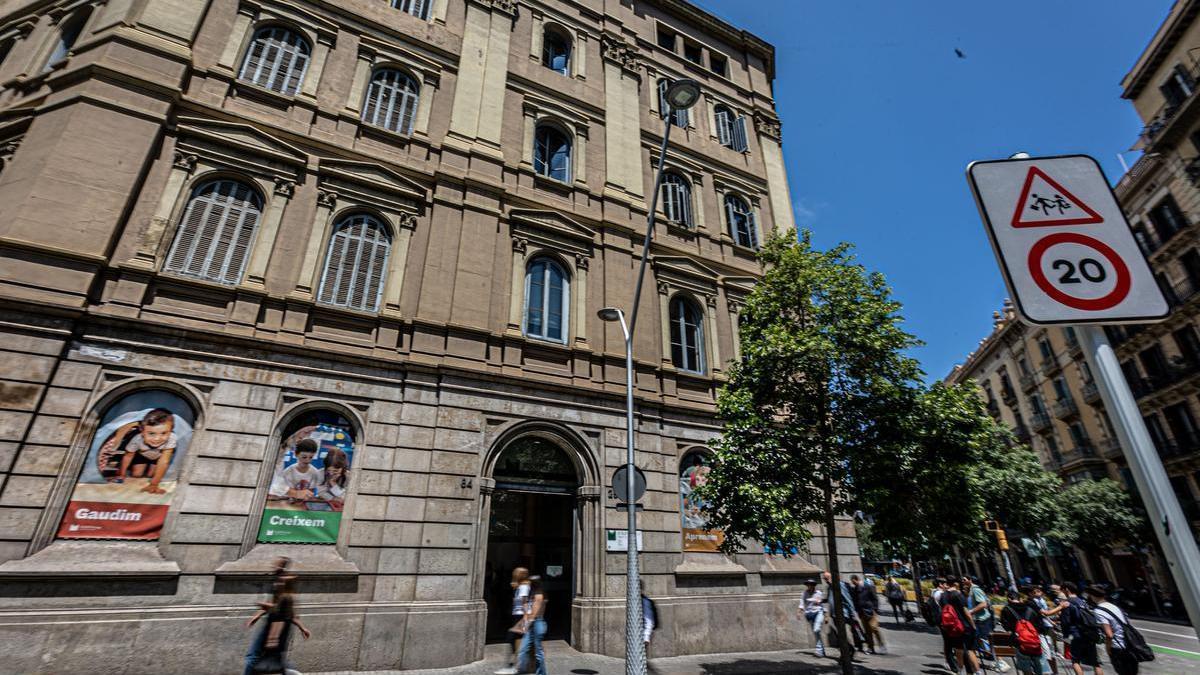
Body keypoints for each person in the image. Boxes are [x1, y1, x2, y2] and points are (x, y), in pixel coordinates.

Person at [244, 558, 310, 675]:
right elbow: (278, 606)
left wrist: (261, 608)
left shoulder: (284, 586)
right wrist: (257, 616)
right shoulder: (279, 583)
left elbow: (282, 610)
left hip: (277, 625)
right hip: (273, 623)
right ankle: (290, 671)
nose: (273, 566)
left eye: (277, 564)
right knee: (275, 657)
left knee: (253, 657)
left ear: (282, 566)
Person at [112, 408, 177, 494]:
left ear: (170, 431)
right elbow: (128, 456)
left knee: (151, 475)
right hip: (141, 455)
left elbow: (164, 461)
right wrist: (122, 474)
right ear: (142, 432)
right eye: (151, 433)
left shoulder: (172, 438)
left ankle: (150, 472)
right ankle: (120, 466)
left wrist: (154, 484)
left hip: (157, 457)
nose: (157, 439)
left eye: (164, 433)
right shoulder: (137, 439)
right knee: (137, 474)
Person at [1085, 585, 1137, 675]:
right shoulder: (1114, 606)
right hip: (1129, 645)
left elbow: (1109, 634)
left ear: (1092, 595)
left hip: (1118, 647)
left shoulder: (1099, 611)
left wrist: (1108, 649)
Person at [1000, 588, 1052, 675]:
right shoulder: (1030, 608)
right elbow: (1040, 626)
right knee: (1039, 666)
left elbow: (1006, 627)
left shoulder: (1006, 610)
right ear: (1020, 599)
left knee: (1026, 668)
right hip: (1035, 643)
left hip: (1020, 643)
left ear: (1009, 599)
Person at [1059, 582, 1104, 675]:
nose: (1062, 593)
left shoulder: (1067, 602)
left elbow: (1066, 622)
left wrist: (1066, 638)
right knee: (1095, 662)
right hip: (1088, 633)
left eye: (1062, 590)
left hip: (1075, 634)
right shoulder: (1083, 601)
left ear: (1066, 589)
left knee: (1075, 661)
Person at [964, 576, 1006, 672]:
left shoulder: (975, 590)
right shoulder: (971, 590)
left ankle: (1001, 662)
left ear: (970, 580)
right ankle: (997, 660)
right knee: (984, 641)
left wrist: (970, 612)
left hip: (982, 620)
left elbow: (983, 604)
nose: (962, 581)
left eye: (964, 579)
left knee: (987, 641)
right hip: (978, 620)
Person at [941, 578, 981, 675]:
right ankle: (977, 671)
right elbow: (966, 612)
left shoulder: (943, 595)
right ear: (955, 583)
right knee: (970, 649)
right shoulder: (958, 595)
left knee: (958, 648)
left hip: (952, 626)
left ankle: (961, 670)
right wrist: (973, 625)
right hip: (964, 625)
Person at [495, 567, 530, 675]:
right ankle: (516, 665)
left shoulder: (524, 587)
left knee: (512, 639)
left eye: (515, 574)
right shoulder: (520, 586)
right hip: (517, 615)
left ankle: (515, 665)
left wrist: (525, 619)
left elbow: (525, 603)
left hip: (520, 616)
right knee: (515, 640)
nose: (513, 575)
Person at [823, 570, 863, 652]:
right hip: (835, 615)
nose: (826, 580)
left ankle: (850, 650)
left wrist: (853, 613)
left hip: (844, 613)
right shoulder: (829, 587)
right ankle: (849, 650)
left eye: (827, 578)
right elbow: (830, 600)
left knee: (843, 634)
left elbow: (848, 599)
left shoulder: (840, 585)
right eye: (825, 579)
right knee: (840, 634)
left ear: (832, 577)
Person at [516, 575, 548, 675]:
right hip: (534, 624)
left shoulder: (538, 595)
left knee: (538, 653)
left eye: (531, 582)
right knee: (523, 649)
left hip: (537, 624)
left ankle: (542, 673)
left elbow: (534, 613)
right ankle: (522, 670)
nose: (529, 584)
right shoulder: (536, 594)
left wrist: (525, 624)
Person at [851, 575, 886, 654]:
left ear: (856, 579)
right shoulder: (855, 589)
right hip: (862, 613)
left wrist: (875, 609)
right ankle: (870, 647)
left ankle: (882, 645)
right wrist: (857, 611)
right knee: (867, 631)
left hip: (870, 611)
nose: (853, 584)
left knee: (874, 628)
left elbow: (875, 598)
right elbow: (855, 601)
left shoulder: (868, 587)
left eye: (854, 582)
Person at [798, 578, 827, 657]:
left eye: (812, 585)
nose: (810, 586)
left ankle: (819, 650)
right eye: (808, 585)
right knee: (816, 633)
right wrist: (799, 612)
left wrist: (826, 616)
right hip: (810, 614)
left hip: (818, 612)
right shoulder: (804, 593)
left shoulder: (818, 593)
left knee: (816, 629)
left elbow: (822, 605)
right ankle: (821, 651)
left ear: (814, 586)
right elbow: (802, 603)